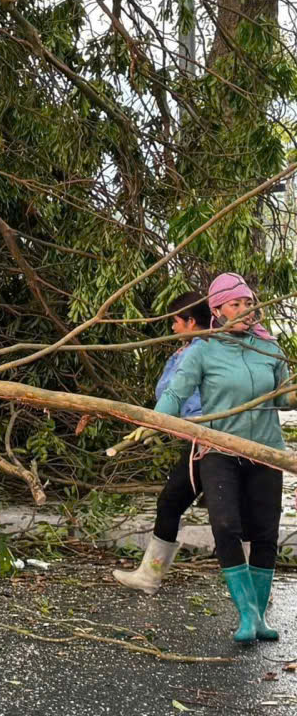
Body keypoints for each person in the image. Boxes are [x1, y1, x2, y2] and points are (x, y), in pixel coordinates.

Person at [155, 273, 289, 643]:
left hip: (265, 450)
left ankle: (257, 618)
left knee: (265, 533)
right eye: (236, 304)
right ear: (216, 310)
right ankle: (246, 615)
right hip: (219, 450)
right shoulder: (203, 350)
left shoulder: (270, 350)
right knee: (226, 526)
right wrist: (148, 421)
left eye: (248, 303)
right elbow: (176, 395)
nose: (245, 310)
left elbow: (282, 399)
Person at [113, 290, 212, 593]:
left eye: (175, 321)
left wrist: (152, 425)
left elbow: (182, 397)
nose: (171, 327)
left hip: (205, 439)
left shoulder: (198, 353)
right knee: (225, 511)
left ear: (191, 322)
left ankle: (150, 576)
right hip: (200, 437)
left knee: (174, 502)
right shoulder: (197, 348)